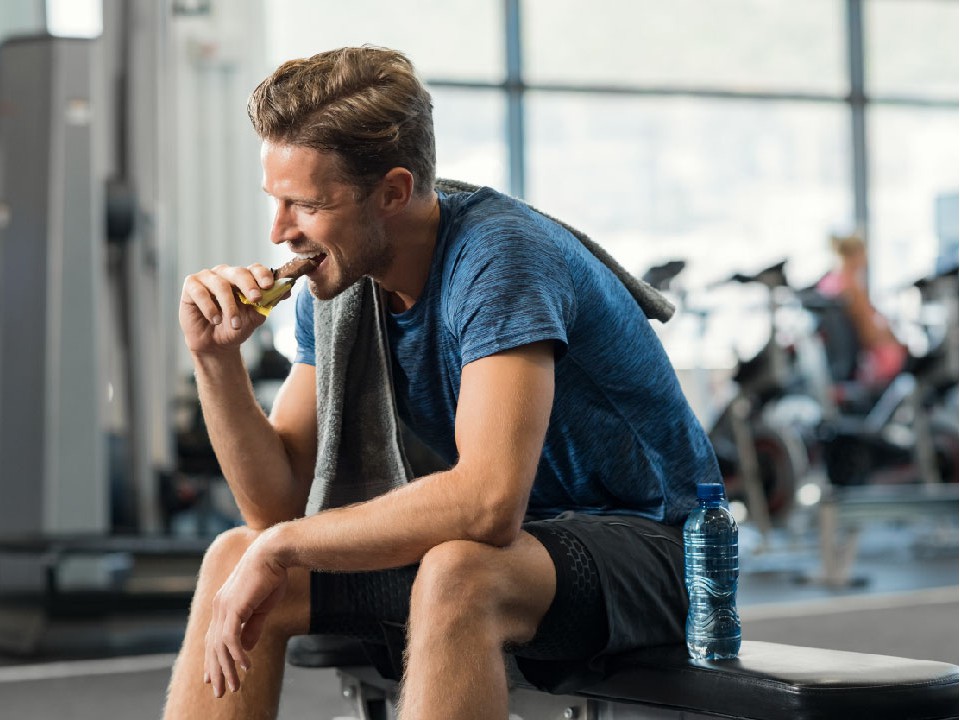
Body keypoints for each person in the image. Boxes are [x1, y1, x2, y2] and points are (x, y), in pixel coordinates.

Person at [163, 46, 720, 720]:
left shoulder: (501, 259)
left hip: (665, 549)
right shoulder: (337, 281)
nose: (279, 232)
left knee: (461, 573)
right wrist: (215, 362)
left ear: (394, 192)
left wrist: (284, 546)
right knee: (235, 555)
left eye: (305, 205)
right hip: (527, 546)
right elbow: (274, 509)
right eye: (275, 201)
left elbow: (487, 505)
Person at [817, 231, 907, 387]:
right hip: (865, 361)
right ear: (856, 255)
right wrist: (897, 341)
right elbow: (868, 334)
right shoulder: (852, 288)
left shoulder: (828, 282)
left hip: (836, 361)